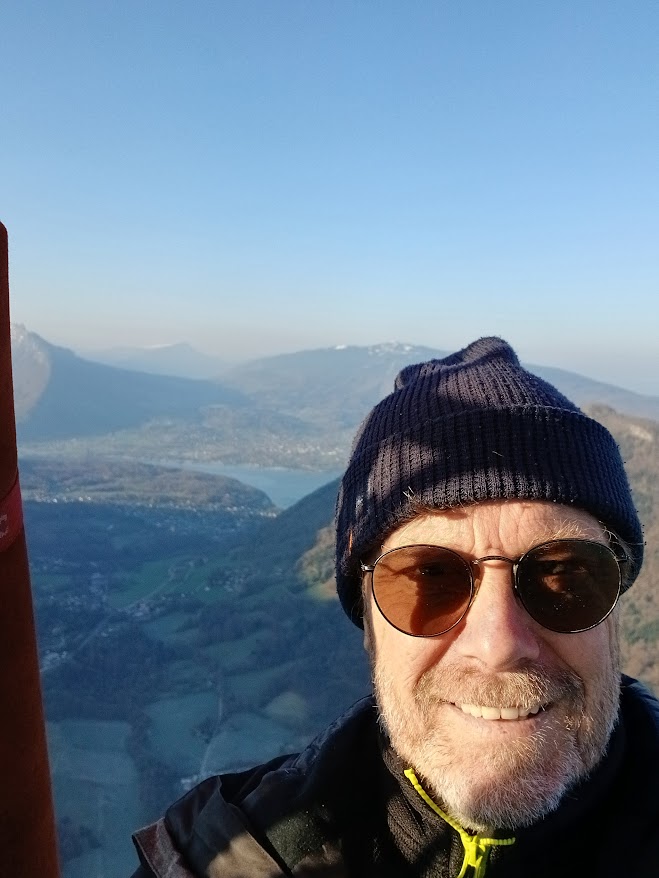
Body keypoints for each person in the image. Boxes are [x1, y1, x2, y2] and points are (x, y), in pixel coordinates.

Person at [130, 336, 659, 877]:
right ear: (368, 621)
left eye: (563, 572)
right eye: (431, 575)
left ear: (616, 607)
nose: (498, 644)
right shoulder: (222, 859)